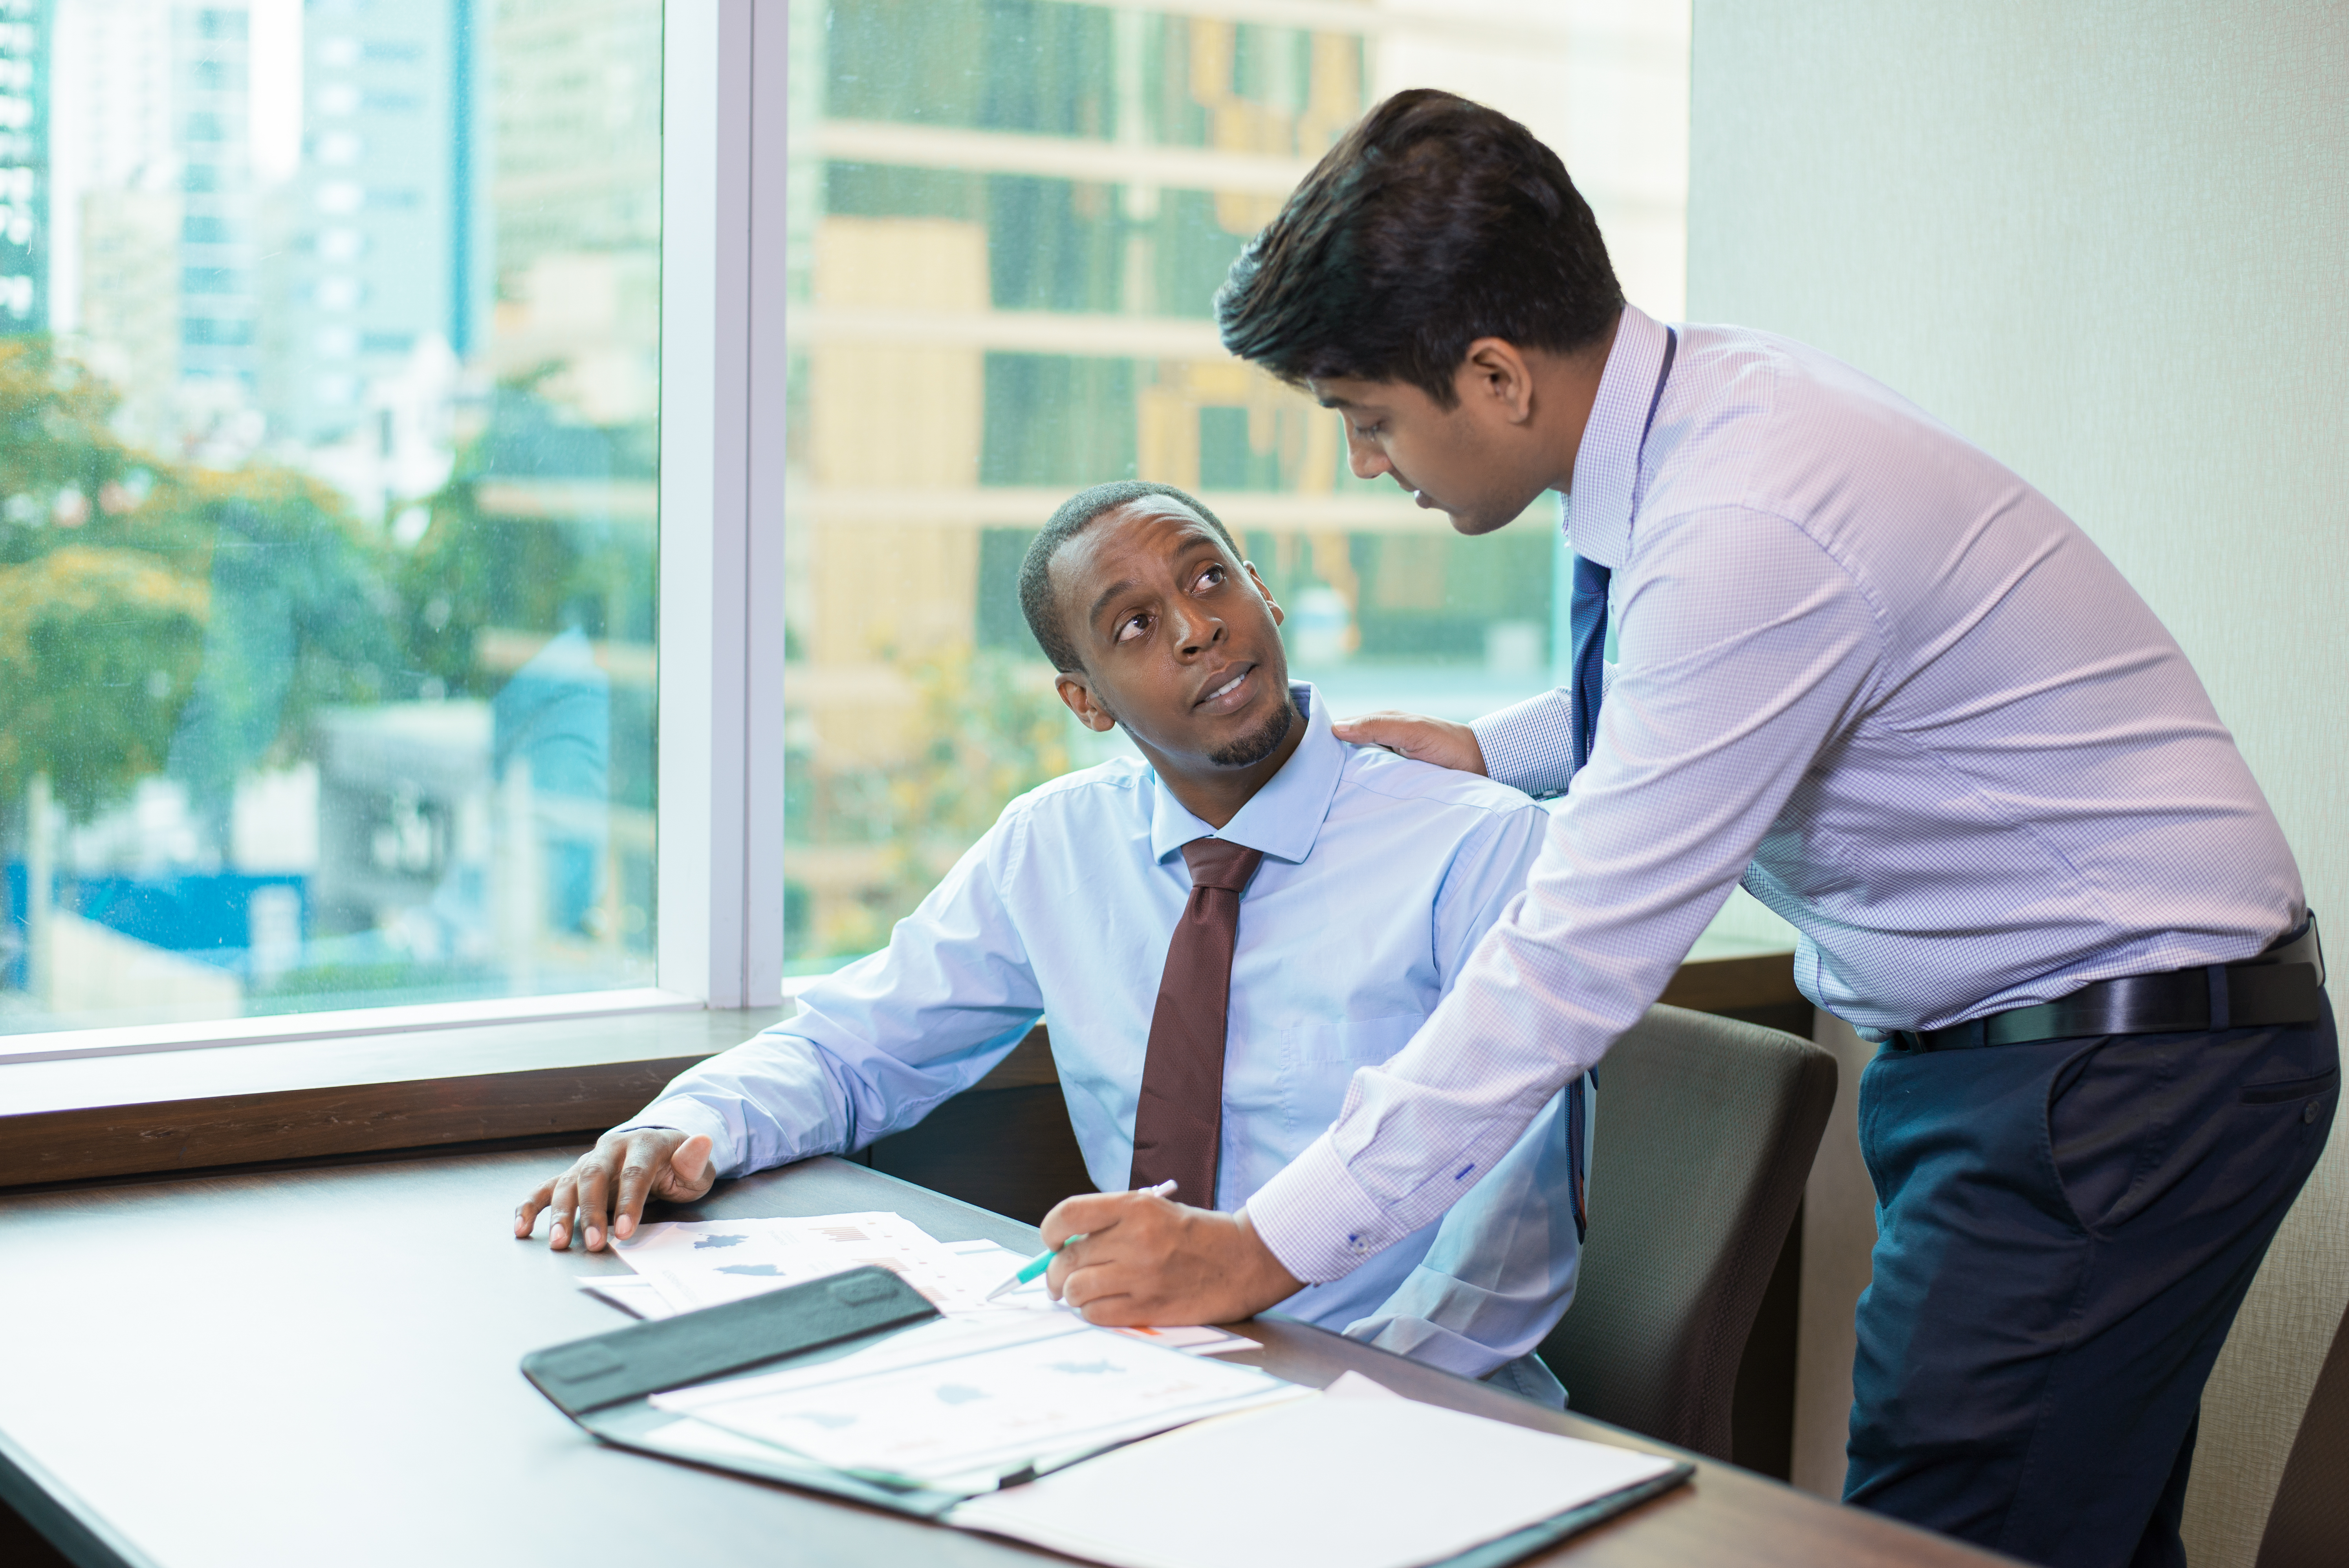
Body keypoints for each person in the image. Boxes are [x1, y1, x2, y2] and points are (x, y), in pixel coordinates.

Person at [1034, 90, 2336, 1568]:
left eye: (1368, 419)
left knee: (1942, 1540)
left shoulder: (1742, 520)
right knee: (2058, 1530)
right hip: (2079, 1050)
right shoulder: (1708, 423)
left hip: (2122, 1069)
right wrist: (1492, 746)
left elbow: (1571, 966)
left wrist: (1259, 1247)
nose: (1366, 467)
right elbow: (1696, 689)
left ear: (1493, 376)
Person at [514, 479, 1589, 1403]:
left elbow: (1507, 1240)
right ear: (1083, 701)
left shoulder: (1476, 844)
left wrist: (1351, 1408)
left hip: (1392, 1400)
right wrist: (686, 1125)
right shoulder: (1056, 844)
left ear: (1261, 590)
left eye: (1209, 579)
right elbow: (854, 1048)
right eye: (1133, 625)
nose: (1194, 627)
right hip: (1139, 1376)